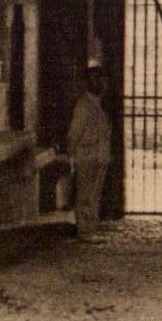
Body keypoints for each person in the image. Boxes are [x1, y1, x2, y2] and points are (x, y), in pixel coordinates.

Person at [66, 64, 111, 242]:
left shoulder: (95, 104)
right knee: (85, 195)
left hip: (98, 156)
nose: (100, 83)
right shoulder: (83, 105)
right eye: (95, 80)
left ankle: (90, 229)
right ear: (88, 83)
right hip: (87, 156)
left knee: (94, 195)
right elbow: (74, 133)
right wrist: (71, 153)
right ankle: (85, 232)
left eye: (102, 80)